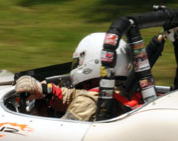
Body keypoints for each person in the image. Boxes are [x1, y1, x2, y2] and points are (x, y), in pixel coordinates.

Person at [14, 32, 165, 121]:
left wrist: (37, 118)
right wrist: (45, 90)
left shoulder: (87, 103)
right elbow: (85, 95)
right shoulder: (130, 92)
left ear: (92, 63)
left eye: (79, 61)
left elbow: (56, 138)